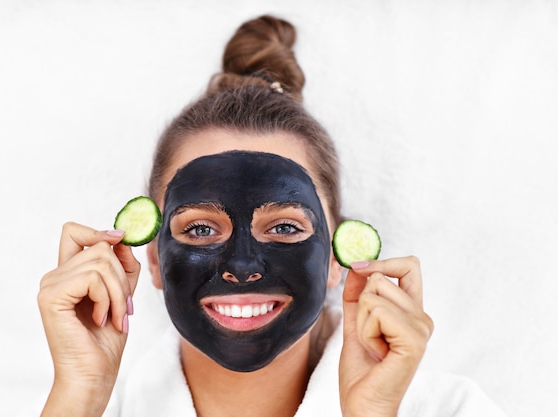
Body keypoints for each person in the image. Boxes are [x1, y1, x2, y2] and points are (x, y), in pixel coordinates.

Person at [37, 15, 506, 417]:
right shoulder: (86, 407)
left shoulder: (452, 408)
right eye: (199, 228)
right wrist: (80, 392)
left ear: (338, 259)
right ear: (154, 258)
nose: (242, 267)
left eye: (284, 227)